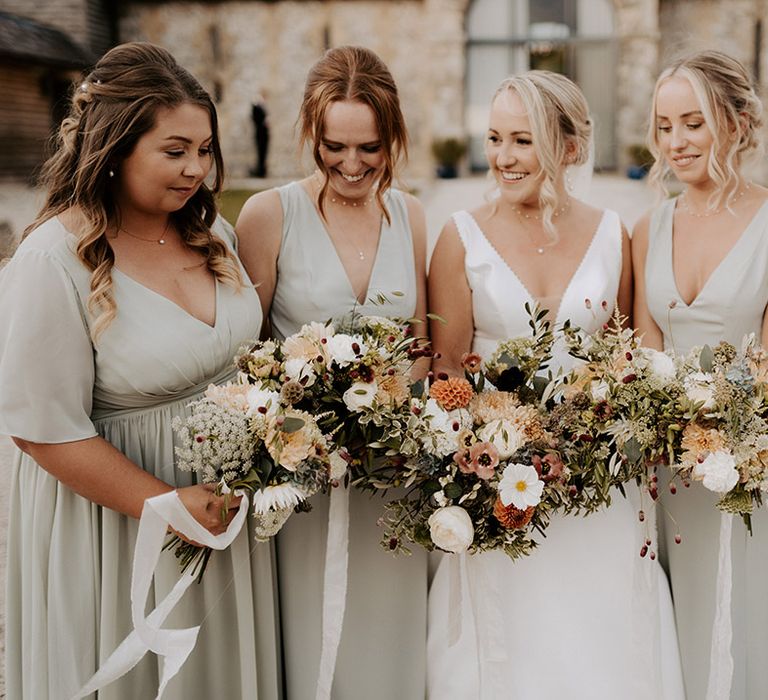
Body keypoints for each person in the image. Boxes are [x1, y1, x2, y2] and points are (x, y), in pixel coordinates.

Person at [0, 42, 280, 699]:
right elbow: (43, 429)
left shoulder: (217, 236)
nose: (197, 170)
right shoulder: (52, 260)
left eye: (206, 150)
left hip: (225, 516)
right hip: (119, 524)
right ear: (117, 147)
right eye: (175, 150)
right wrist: (163, 505)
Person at [426, 70, 685, 699]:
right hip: (502, 486)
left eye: (523, 140)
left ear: (569, 147)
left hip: (599, 488)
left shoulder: (611, 234)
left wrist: (599, 432)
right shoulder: (459, 238)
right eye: (495, 139)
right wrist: (487, 452)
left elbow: (623, 360)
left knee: (604, 642)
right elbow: (447, 370)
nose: (504, 158)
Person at [236, 45, 428, 700]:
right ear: (311, 134)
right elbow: (248, 354)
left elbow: (422, 347)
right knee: (308, 636)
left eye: (369, 147)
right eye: (334, 146)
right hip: (301, 480)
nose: (351, 165)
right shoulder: (269, 214)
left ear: (393, 135)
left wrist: (399, 422)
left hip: (391, 481)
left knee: (388, 638)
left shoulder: (413, 216)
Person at [633, 49, 768, 700]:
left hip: (748, 468)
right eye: (664, 126)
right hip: (662, 476)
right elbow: (641, 357)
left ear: (738, 123)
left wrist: (726, 432)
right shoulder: (648, 228)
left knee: (739, 624)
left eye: (693, 122)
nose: (675, 142)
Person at [250, 90, 270, 178]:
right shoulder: (256, 106)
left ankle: (262, 171)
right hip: (260, 133)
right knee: (260, 152)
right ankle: (260, 171)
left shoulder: (262, 107)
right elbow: (255, 119)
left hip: (264, 134)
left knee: (263, 152)